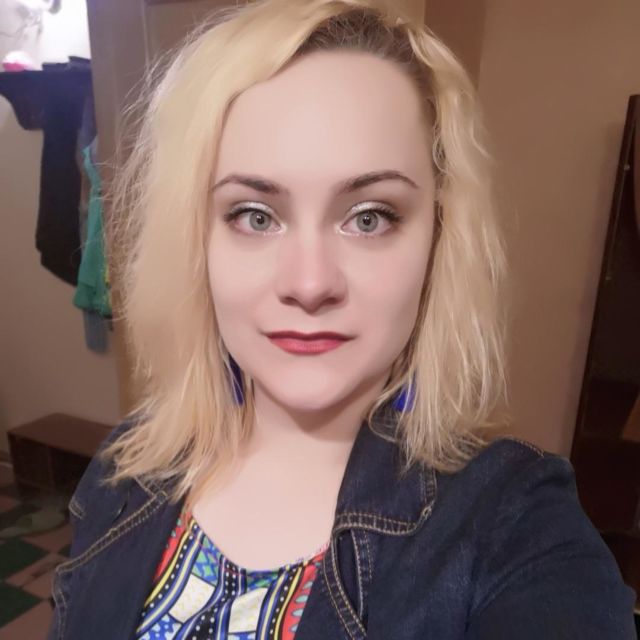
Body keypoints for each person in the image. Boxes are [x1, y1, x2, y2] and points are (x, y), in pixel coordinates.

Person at [47, 1, 637, 638]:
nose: (310, 284)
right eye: (254, 216)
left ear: (439, 237)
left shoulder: (515, 525)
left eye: (369, 217)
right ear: (197, 240)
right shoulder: (128, 466)